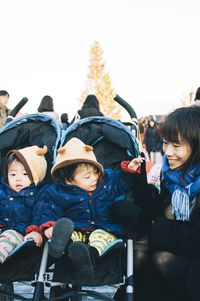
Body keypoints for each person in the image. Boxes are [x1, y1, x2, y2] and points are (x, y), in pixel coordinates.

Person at [30, 137, 143, 281]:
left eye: (96, 172)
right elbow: (48, 210)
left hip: (104, 227)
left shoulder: (106, 181)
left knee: (101, 240)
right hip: (75, 227)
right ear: (68, 180)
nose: (94, 178)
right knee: (70, 235)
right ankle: (62, 246)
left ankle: (88, 258)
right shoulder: (57, 191)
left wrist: (128, 170)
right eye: (88, 176)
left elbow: (121, 183)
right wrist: (49, 227)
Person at [123, 106, 200, 301]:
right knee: (138, 258)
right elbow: (156, 208)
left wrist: (157, 227)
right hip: (177, 254)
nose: (167, 152)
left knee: (159, 260)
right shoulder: (173, 175)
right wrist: (139, 179)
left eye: (176, 145)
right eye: (165, 143)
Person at [0, 145, 48, 263]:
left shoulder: (39, 194)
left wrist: (35, 231)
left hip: (20, 232)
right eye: (13, 174)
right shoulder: (3, 190)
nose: (18, 179)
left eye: (25, 174)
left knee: (7, 238)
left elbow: (40, 214)